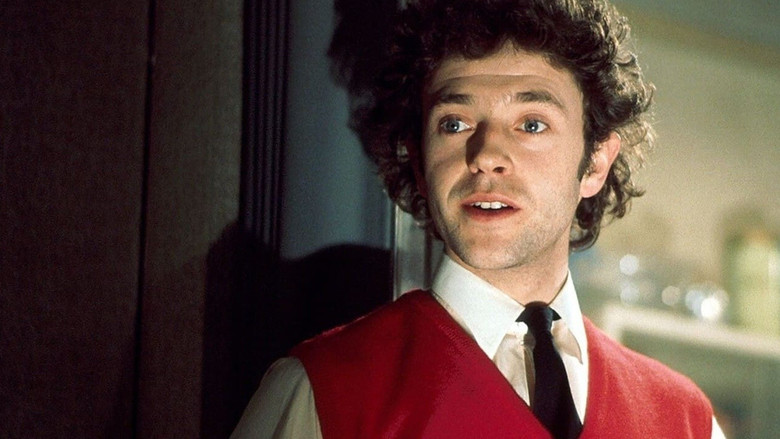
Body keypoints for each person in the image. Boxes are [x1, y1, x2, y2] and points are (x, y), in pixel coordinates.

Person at [232, 0, 727, 437]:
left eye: (531, 124)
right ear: (419, 162)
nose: (486, 155)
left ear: (595, 163)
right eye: (455, 124)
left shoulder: (686, 421)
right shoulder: (322, 393)